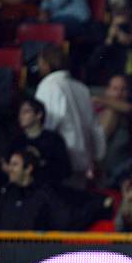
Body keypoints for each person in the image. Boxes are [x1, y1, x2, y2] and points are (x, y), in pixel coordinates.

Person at [35, 44, 105, 189]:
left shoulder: (48, 86)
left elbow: (48, 124)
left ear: (47, 64)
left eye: (40, 63)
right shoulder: (82, 88)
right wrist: (98, 157)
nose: (38, 67)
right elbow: (96, 127)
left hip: (60, 161)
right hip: (83, 159)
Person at [0, 148, 69, 230]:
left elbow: (61, 221)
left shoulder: (44, 195)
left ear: (28, 168)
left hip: (34, 242)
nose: (10, 168)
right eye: (10, 164)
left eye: (15, 164)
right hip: (3, 242)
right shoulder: (5, 193)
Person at [10, 97, 71, 185]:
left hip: (47, 190)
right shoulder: (17, 140)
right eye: (20, 112)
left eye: (26, 111)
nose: (21, 116)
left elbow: (65, 170)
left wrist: (40, 161)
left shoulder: (54, 140)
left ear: (38, 115)